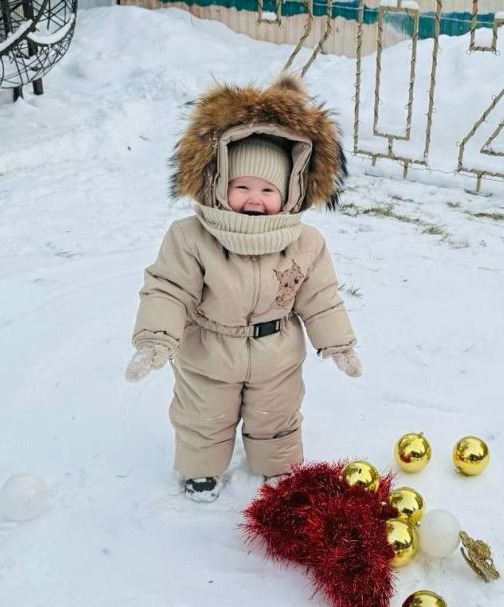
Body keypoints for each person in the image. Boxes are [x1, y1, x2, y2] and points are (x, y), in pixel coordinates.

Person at [124, 74, 362, 501]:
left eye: (268, 189)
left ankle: (276, 469)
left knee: (277, 415)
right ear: (220, 184)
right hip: (209, 351)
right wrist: (156, 339)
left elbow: (321, 298)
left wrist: (339, 344)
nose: (254, 198)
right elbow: (167, 289)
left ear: (290, 191)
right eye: (242, 187)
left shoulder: (306, 243)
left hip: (276, 355)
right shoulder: (191, 237)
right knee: (204, 415)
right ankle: (201, 470)